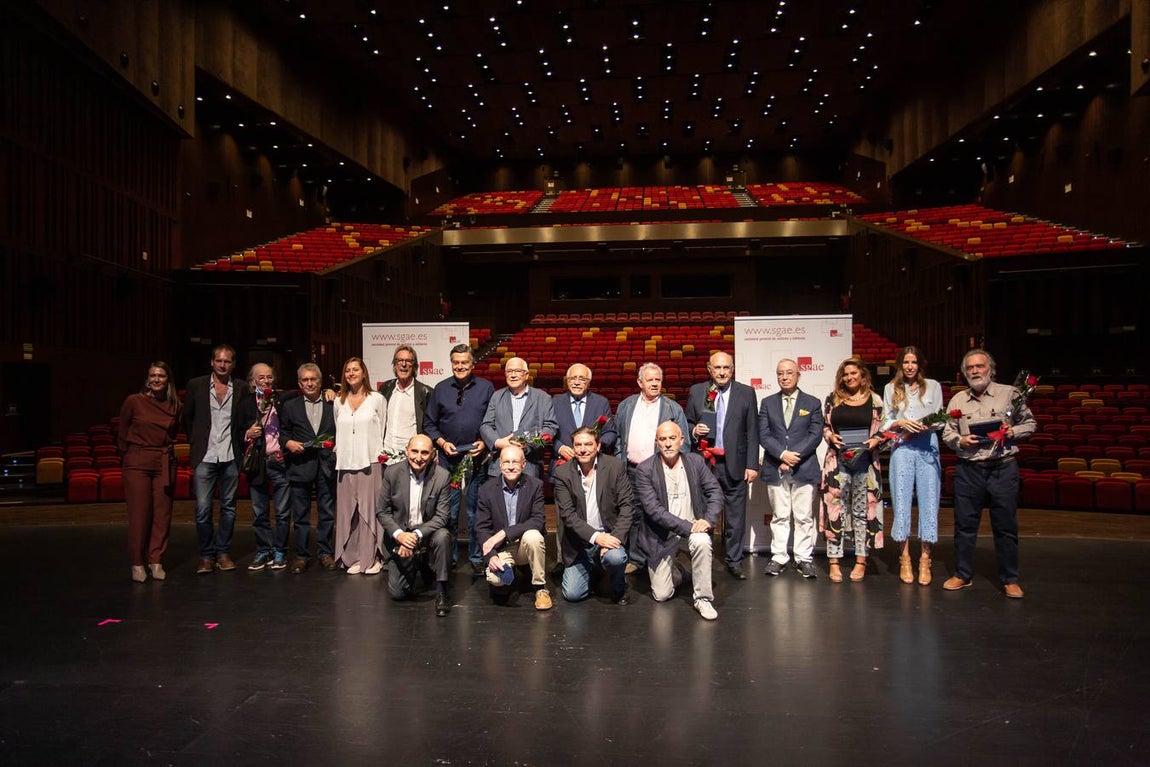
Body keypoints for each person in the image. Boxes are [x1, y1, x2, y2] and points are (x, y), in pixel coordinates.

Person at [941, 349, 1036, 598]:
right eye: (970, 368)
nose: (975, 371)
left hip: (1002, 468)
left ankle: (1010, 578)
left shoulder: (1010, 394)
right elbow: (947, 432)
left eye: (979, 366)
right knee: (964, 526)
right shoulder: (957, 400)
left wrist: (1012, 432)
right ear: (964, 373)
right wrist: (961, 440)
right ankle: (962, 574)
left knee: (1005, 526)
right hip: (969, 469)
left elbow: (1030, 423)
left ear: (990, 369)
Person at [635, 421, 724, 621]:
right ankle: (682, 570)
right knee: (662, 595)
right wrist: (690, 527)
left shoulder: (695, 462)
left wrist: (707, 521)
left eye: (672, 438)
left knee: (702, 540)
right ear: (656, 442)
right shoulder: (645, 469)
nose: (667, 443)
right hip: (662, 537)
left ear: (682, 440)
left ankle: (703, 598)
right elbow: (653, 510)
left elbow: (715, 492)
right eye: (662, 439)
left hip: (694, 529)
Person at [685, 351, 760, 579]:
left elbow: (752, 431)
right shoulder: (698, 392)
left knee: (736, 517)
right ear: (709, 369)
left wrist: (752, 464)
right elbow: (687, 422)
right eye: (717, 367)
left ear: (732, 369)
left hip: (735, 463)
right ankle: (702, 558)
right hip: (705, 464)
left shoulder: (746, 393)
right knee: (703, 514)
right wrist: (693, 431)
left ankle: (734, 560)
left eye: (726, 367)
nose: (722, 372)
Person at [423, 343, 494, 574]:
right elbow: (429, 424)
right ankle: (449, 557)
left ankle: (476, 557)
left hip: (477, 458)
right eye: (456, 362)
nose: (460, 366)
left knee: (475, 512)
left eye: (465, 362)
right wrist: (442, 443)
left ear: (472, 364)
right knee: (450, 512)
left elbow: (492, 422)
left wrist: (484, 442)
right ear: (451, 363)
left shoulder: (486, 388)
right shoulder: (440, 388)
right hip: (447, 460)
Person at [615, 362, 689, 570]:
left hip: (660, 471)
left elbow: (685, 443)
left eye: (658, 380)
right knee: (635, 514)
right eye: (650, 380)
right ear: (640, 382)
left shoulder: (673, 408)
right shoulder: (626, 406)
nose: (655, 384)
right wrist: (621, 461)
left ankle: (662, 558)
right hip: (631, 470)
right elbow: (620, 438)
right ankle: (637, 559)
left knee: (660, 514)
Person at [819, 358, 886, 583]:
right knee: (835, 510)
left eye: (853, 373)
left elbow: (883, 430)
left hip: (865, 463)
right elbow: (825, 427)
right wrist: (830, 436)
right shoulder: (832, 399)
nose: (849, 377)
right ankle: (834, 561)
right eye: (845, 374)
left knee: (861, 511)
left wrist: (876, 439)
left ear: (863, 375)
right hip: (837, 462)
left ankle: (860, 559)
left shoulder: (875, 400)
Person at [552, 427, 635, 604]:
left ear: (598, 446)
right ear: (573, 447)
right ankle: (595, 568)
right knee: (573, 595)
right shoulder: (562, 473)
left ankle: (619, 585)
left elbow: (627, 507)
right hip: (579, 545)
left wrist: (615, 538)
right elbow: (568, 515)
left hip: (610, 536)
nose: (583, 449)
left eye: (588, 444)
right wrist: (598, 538)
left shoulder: (615, 466)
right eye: (578, 445)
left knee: (616, 558)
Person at [758, 358, 824, 579]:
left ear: (798, 375)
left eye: (788, 373)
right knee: (779, 515)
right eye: (780, 373)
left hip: (804, 467)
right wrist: (782, 454)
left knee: (804, 516)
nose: (784, 377)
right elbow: (764, 434)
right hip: (776, 466)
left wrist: (794, 456)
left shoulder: (813, 402)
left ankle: (804, 558)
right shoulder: (767, 403)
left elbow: (815, 435)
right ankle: (779, 556)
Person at [883, 347, 944, 586]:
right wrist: (900, 422)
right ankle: (905, 557)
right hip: (902, 447)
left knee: (930, 501)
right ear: (900, 364)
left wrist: (927, 425)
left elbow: (940, 418)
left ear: (920, 365)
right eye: (906, 362)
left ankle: (925, 559)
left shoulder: (933, 386)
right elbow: (886, 421)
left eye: (914, 362)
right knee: (901, 500)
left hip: (927, 445)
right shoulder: (891, 388)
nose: (910, 366)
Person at [184, 344, 246, 574]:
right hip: (205, 455)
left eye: (227, 361)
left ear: (233, 364)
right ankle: (206, 555)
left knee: (229, 508)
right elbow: (188, 418)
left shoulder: (241, 388)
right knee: (202, 509)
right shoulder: (196, 385)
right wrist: (196, 443)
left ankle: (223, 552)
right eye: (219, 361)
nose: (222, 365)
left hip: (230, 455)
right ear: (212, 362)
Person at [376, 435, 454, 617]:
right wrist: (400, 536)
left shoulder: (442, 476)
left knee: (443, 536)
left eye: (425, 452)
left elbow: (442, 517)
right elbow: (382, 511)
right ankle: (419, 563)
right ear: (406, 451)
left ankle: (442, 591)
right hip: (400, 536)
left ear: (433, 455)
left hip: (426, 534)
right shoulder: (392, 473)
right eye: (415, 451)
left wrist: (415, 536)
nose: (419, 457)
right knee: (398, 593)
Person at [118, 361, 182, 582]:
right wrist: (130, 456)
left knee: (162, 515)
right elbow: (122, 432)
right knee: (139, 515)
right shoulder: (134, 402)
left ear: (168, 380)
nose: (156, 379)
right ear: (147, 378)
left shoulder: (175, 405)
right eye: (153, 375)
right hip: (137, 461)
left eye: (161, 376)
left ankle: (156, 560)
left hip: (163, 461)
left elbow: (175, 431)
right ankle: (137, 563)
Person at [474, 444, 552, 611]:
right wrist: (492, 556)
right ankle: (518, 570)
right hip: (501, 549)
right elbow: (482, 528)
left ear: (523, 464)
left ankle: (540, 588)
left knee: (534, 536)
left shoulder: (535, 485)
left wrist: (505, 532)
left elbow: (538, 521)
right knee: (497, 583)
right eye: (506, 462)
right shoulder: (486, 489)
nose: (510, 466)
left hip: (524, 544)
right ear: (499, 465)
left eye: (515, 462)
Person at [234, 363, 296, 571]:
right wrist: (247, 434)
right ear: (252, 381)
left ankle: (280, 550)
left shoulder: (282, 401)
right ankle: (264, 550)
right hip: (257, 463)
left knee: (282, 512)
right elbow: (236, 432)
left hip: (279, 461)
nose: (266, 381)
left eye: (269, 377)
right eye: (261, 378)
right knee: (259, 511)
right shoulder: (245, 404)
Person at [279, 362, 337, 573]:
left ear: (320, 382)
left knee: (327, 513)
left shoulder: (334, 403)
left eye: (313, 379)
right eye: (305, 380)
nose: (310, 383)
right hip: (300, 465)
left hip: (326, 465)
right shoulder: (289, 406)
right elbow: (282, 432)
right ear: (299, 383)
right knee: (301, 515)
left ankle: (325, 553)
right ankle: (302, 555)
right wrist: (288, 443)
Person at [332, 356, 387, 575]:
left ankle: (371, 557)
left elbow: (381, 428)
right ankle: (352, 557)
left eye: (355, 369)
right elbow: (338, 429)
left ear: (364, 373)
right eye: (347, 370)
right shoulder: (339, 401)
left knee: (369, 512)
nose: (351, 373)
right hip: (345, 463)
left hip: (369, 461)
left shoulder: (377, 399)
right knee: (348, 514)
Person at [480, 356, 557, 478]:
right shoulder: (496, 396)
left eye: (517, 371)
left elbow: (550, 427)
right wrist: (498, 442)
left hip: (530, 465)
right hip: (499, 464)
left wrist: (528, 444)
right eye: (509, 371)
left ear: (526, 375)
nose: (513, 375)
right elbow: (486, 425)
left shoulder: (543, 397)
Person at [551, 363, 617, 470]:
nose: (576, 383)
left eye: (582, 379)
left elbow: (610, 432)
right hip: (563, 464)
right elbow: (548, 433)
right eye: (572, 378)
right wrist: (559, 447)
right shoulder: (554, 403)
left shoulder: (601, 403)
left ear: (589, 383)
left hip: (594, 465)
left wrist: (597, 445)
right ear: (567, 381)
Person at [378, 345, 432, 455]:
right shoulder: (385, 388)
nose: (404, 364)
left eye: (408, 361)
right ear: (394, 364)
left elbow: (431, 427)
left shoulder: (425, 392)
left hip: (413, 457)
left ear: (414, 366)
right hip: (386, 456)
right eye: (400, 360)